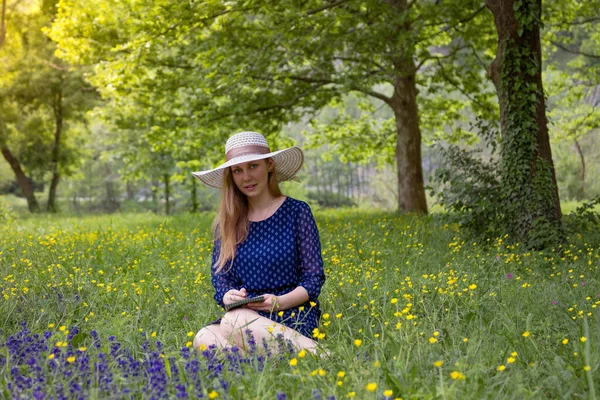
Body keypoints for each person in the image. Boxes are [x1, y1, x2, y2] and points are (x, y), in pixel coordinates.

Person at [191, 131, 326, 354]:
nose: (246, 177)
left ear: (269, 164)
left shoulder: (297, 212)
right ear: (231, 176)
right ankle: (264, 363)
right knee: (204, 337)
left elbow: (313, 279)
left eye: (253, 166)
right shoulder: (227, 222)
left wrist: (279, 302)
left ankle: (319, 354)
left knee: (232, 322)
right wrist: (228, 295)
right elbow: (221, 279)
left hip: (291, 312)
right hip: (244, 316)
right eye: (238, 170)